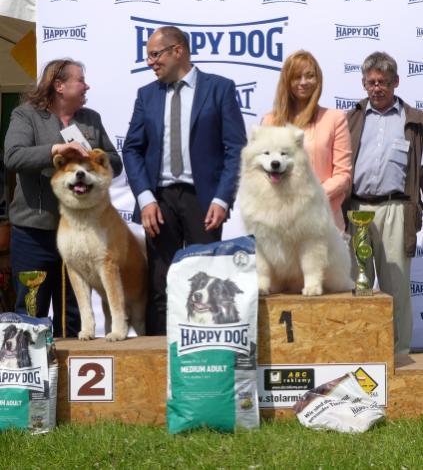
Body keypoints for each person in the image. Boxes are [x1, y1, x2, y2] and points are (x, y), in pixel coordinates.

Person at [122, 26, 246, 335]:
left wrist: (222, 198)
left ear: (178, 51)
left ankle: (203, 362)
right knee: (160, 285)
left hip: (203, 201)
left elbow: (235, 149)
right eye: (148, 56)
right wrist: (145, 198)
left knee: (206, 285)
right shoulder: (145, 95)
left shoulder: (219, 88)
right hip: (158, 201)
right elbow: (133, 149)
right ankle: (158, 361)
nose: (150, 62)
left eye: (154, 54)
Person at [4, 59, 122, 337]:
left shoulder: (90, 118)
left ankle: (68, 378)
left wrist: (95, 159)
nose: (87, 86)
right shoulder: (25, 115)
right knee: (31, 312)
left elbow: (115, 162)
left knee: (74, 314)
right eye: (81, 80)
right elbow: (13, 156)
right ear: (59, 86)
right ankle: (31, 376)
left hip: (80, 233)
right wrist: (56, 148)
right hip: (35, 233)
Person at [345, 51, 423, 354]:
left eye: (383, 83)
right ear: (364, 83)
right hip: (357, 210)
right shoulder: (350, 117)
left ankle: (399, 354)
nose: (377, 88)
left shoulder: (414, 121)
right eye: (371, 82)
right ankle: (358, 350)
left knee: (397, 287)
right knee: (358, 286)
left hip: (396, 209)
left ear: (396, 83)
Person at [262, 50, 352, 231]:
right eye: (297, 77)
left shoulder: (335, 119)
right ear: (287, 81)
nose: (303, 82)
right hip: (279, 221)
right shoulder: (269, 121)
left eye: (309, 76)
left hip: (324, 219)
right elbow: (260, 170)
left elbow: (343, 175)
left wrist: (311, 196)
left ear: (318, 80)